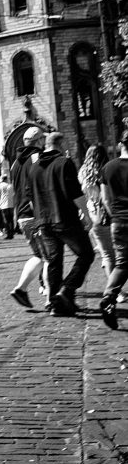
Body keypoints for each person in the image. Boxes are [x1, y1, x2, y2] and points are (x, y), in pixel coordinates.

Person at [29, 131, 95, 317]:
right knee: (86, 254)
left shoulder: (34, 168)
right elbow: (75, 192)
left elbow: (31, 198)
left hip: (43, 222)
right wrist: (86, 214)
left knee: (54, 262)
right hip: (65, 220)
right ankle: (66, 290)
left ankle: (54, 303)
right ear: (61, 144)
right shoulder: (64, 163)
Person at [9, 126, 47, 309]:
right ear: (39, 141)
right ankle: (51, 297)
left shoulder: (15, 163)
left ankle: (22, 289)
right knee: (50, 257)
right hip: (37, 214)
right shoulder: (37, 158)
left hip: (23, 216)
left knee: (39, 255)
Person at [78, 145, 115, 300]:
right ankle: (113, 290)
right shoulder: (105, 170)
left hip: (91, 214)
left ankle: (114, 287)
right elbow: (108, 197)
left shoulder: (82, 172)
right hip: (106, 214)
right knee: (111, 255)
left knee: (106, 253)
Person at [100, 132, 128, 329]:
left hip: (118, 222)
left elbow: (105, 199)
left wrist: (115, 216)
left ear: (120, 145)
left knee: (121, 263)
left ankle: (109, 296)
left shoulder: (108, 167)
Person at [0, 173, 15, 239]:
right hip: (11, 205)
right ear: (6, 179)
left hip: (3, 206)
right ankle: (11, 233)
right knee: (11, 220)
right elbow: (14, 195)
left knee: (6, 220)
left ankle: (8, 234)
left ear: (1, 179)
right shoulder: (11, 186)